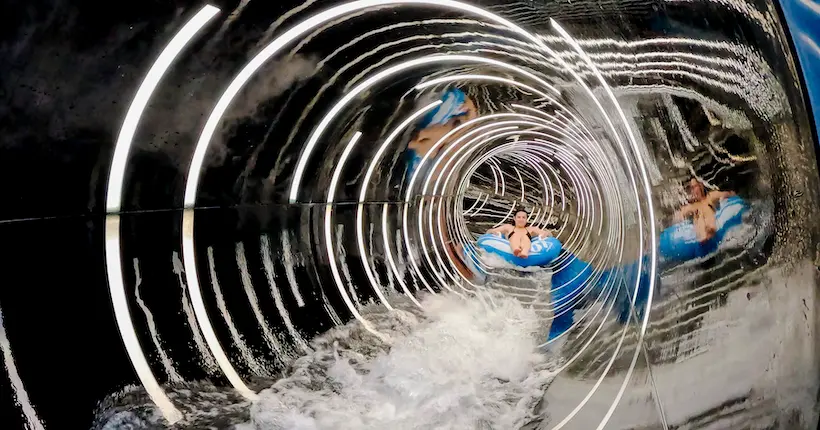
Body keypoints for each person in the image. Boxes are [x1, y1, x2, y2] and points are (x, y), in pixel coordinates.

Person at [673, 177, 736, 242]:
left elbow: (729, 194)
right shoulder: (692, 206)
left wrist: (727, 198)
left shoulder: (710, 196)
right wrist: (680, 216)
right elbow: (679, 215)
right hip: (701, 232)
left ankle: (710, 231)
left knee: (706, 209)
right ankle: (703, 235)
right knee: (699, 215)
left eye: (695, 186)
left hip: (713, 227)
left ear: (701, 186)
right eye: (691, 188)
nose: (694, 190)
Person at [486, 209, 554, 258]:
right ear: (514, 218)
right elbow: (489, 231)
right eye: (519, 217)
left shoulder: (531, 229)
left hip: (526, 243)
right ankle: (516, 249)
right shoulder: (508, 227)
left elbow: (546, 233)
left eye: (523, 217)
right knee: (515, 236)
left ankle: (524, 252)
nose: (521, 219)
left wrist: (546, 234)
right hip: (512, 243)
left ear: (526, 219)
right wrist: (492, 232)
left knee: (525, 238)